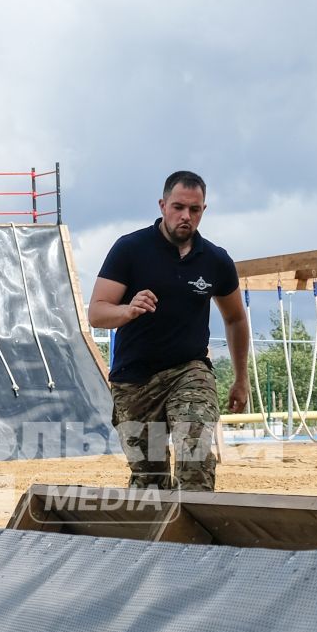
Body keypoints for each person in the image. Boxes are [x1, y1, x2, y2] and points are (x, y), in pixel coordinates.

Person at [87, 171, 250, 491]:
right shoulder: (130, 249)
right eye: (178, 207)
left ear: (204, 210)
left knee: (196, 459)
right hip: (134, 381)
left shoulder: (216, 261)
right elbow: (96, 312)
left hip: (188, 370)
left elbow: (235, 319)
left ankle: (195, 535)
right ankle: (151, 538)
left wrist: (241, 379)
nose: (185, 216)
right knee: (150, 480)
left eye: (195, 209)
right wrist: (127, 310)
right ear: (163, 205)